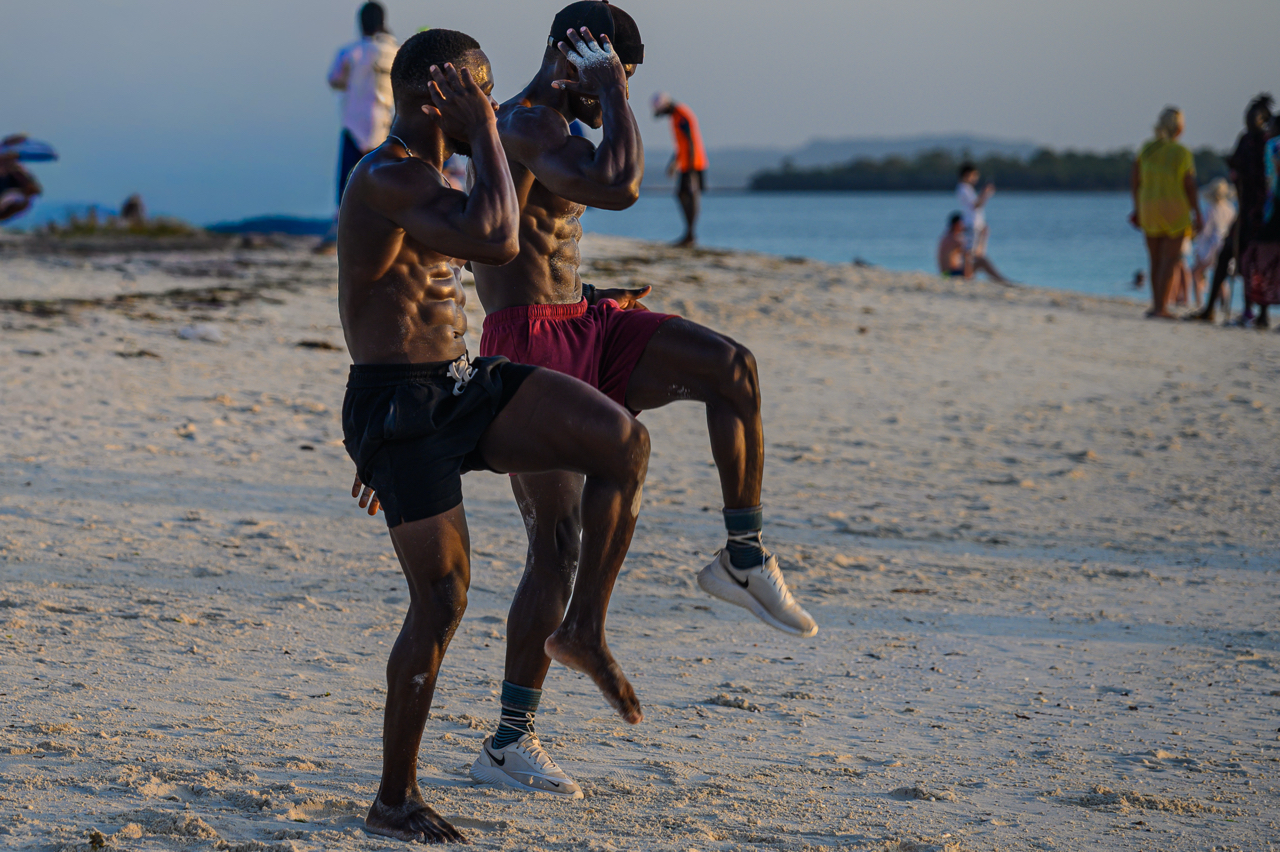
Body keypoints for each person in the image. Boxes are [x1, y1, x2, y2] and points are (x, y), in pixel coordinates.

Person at [459, 1, 816, 799]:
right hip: (527, 346)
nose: (608, 93)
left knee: (733, 368)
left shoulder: (557, 126)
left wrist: (589, 293)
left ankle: (743, 558)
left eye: (617, 81)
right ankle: (508, 743)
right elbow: (620, 187)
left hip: (585, 319)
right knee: (557, 550)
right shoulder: (522, 123)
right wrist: (613, 94)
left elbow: (553, 236)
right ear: (570, 54)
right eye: (604, 74)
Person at [338, 29, 652, 842]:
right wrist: (485, 130)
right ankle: (394, 801)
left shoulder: (433, 174)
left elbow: (485, 257)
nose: (494, 99)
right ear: (432, 96)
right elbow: (500, 239)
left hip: (459, 384)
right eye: (477, 90)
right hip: (398, 408)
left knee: (619, 441)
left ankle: (582, 626)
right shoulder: (388, 174)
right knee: (442, 601)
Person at [318, 2, 399, 253]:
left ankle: (340, 230)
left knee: (346, 179)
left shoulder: (351, 52)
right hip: (384, 122)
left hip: (354, 122)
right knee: (383, 178)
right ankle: (385, 230)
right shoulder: (395, 51)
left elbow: (334, 80)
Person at [1192, 94, 1273, 323]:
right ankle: (1210, 309)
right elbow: (1237, 168)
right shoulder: (1245, 140)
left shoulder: (1267, 142)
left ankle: (1260, 313)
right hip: (1245, 210)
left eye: (1253, 117)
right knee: (1228, 255)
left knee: (1257, 262)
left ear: (1262, 120)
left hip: (1260, 214)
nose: (1248, 121)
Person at [1130, 106, 1203, 319]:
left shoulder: (1146, 148)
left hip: (1149, 207)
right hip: (1175, 209)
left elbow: (1135, 180)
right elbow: (1189, 184)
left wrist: (1137, 206)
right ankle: (1162, 307)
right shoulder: (1182, 152)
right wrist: (1197, 212)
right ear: (1179, 128)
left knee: (1154, 260)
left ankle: (1156, 305)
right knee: (1169, 261)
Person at [1239, 115, 1280, 326]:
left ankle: (1261, 313)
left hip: (1274, 212)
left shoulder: (1274, 145)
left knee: (1258, 261)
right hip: (1271, 211)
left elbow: (1271, 180)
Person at [652, 92, 707, 246]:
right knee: (684, 195)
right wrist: (674, 163)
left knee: (688, 195)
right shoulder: (676, 116)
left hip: (692, 163)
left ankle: (690, 235)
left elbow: (690, 141)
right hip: (687, 163)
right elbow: (681, 145)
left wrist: (688, 167)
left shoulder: (681, 116)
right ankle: (689, 234)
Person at [955, 162, 1008, 282]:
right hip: (971, 225)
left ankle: (969, 275)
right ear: (968, 174)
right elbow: (976, 205)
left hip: (975, 225)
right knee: (970, 252)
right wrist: (985, 193)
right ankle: (968, 276)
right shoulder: (964, 188)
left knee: (975, 252)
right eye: (974, 175)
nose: (976, 178)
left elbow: (977, 205)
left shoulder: (966, 189)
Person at [1189, 178, 1236, 308]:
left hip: (1212, 246)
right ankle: (1224, 305)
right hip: (1226, 244)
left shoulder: (1211, 209)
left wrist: (1199, 250)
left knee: (1196, 272)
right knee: (1220, 275)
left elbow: (1206, 232)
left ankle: (1199, 302)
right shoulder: (1230, 208)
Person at [937, 211, 1006, 281]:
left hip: (945, 274)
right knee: (982, 261)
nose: (965, 225)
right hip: (951, 275)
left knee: (974, 260)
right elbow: (976, 254)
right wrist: (983, 237)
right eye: (963, 223)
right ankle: (1000, 280)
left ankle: (999, 279)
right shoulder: (955, 239)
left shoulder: (947, 237)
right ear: (957, 224)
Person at [0, 136, 43, 222]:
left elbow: (34, 190)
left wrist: (17, 172)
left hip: (12, 200)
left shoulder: (18, 172)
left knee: (13, 197)